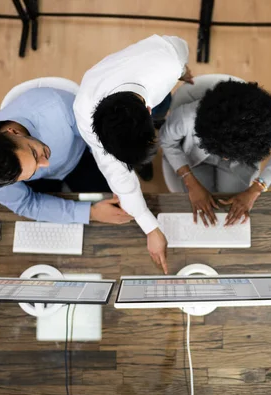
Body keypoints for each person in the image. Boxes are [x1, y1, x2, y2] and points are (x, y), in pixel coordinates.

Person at [74, 34, 194, 274]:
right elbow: (118, 177)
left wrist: (181, 70)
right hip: (132, 86)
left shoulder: (169, 59)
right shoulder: (84, 112)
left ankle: (142, 153)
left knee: (164, 107)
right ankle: (139, 159)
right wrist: (150, 227)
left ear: (147, 112)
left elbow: (181, 49)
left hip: (160, 82)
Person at [0, 87, 133, 226]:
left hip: (79, 157)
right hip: (37, 184)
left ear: (14, 132)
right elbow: (26, 203)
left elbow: (100, 139)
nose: (45, 164)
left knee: (117, 204)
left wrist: (115, 175)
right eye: (32, 171)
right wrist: (91, 213)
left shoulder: (58, 109)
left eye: (34, 153)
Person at [160, 80, 271, 226]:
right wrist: (190, 183)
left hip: (241, 163)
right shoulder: (186, 116)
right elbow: (167, 141)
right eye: (224, 154)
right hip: (196, 159)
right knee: (200, 205)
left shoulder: (270, 126)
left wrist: (255, 190)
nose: (224, 158)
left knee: (229, 205)